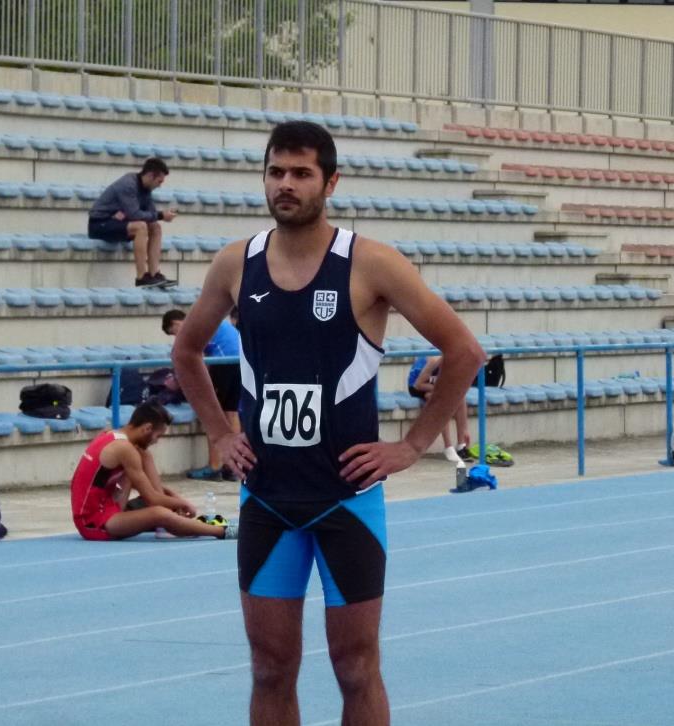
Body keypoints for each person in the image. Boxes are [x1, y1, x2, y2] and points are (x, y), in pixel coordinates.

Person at [172, 121, 484, 725]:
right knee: (269, 667)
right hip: (268, 498)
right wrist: (220, 432)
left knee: (356, 667)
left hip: (347, 500)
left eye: (301, 173)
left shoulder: (371, 263)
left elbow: (464, 351)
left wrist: (412, 445)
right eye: (275, 172)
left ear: (331, 182)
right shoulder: (237, 263)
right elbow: (186, 350)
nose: (285, 184)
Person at [70, 400, 236, 541]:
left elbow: (153, 492)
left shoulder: (113, 435)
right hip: (93, 522)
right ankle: (221, 531)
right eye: (158, 436)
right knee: (159, 514)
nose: (156, 441)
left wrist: (174, 499)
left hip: (109, 505)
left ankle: (175, 523)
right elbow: (153, 499)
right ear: (147, 428)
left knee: (145, 456)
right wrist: (184, 504)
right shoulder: (124, 449)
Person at [162, 308, 242, 481]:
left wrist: (179, 381)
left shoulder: (193, 324)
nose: (176, 336)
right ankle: (233, 466)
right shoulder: (209, 321)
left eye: (173, 332)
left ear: (175, 323)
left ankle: (214, 466)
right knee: (231, 412)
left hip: (223, 363)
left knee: (210, 413)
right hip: (239, 361)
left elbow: (194, 359)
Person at [87, 157, 179, 288]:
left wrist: (163, 215)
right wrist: (161, 215)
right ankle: (141, 278)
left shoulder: (146, 189)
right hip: (100, 224)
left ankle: (154, 274)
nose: (160, 185)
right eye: (159, 181)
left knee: (155, 227)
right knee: (140, 227)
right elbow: (134, 214)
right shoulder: (128, 184)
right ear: (151, 176)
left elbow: (151, 214)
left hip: (118, 222)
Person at [408, 354, 473, 463]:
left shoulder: (456, 366)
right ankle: (448, 447)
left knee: (460, 396)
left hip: (435, 386)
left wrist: (465, 429)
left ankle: (461, 446)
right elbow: (418, 385)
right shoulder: (434, 361)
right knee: (441, 398)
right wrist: (441, 389)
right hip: (417, 386)